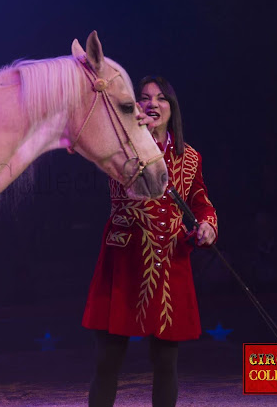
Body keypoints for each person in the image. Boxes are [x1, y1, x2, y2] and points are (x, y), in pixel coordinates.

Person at [82, 75, 218, 407]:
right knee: (108, 361)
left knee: (166, 363)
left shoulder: (190, 157)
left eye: (160, 98)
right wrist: (131, 127)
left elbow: (200, 200)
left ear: (172, 109)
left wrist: (207, 225)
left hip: (169, 261)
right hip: (125, 261)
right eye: (144, 98)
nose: (152, 103)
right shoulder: (120, 144)